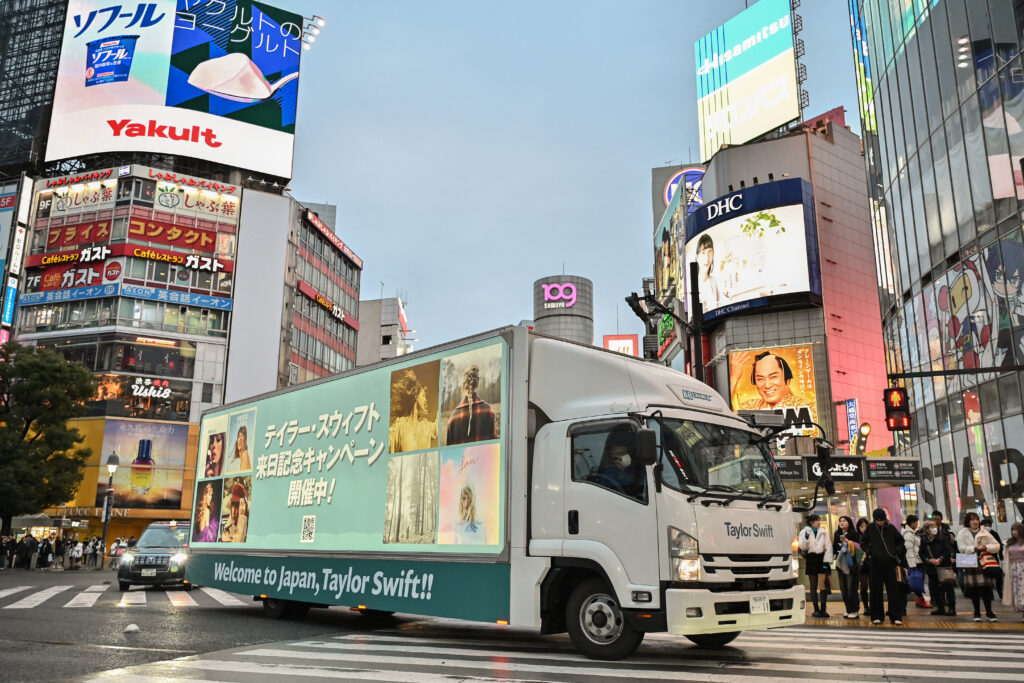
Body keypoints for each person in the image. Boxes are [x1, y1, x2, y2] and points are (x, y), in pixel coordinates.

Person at [861, 508, 907, 625]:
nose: (880, 522)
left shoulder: (890, 528)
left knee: (893, 590)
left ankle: (895, 616)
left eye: (882, 520)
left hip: (890, 564)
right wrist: (870, 552)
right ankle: (877, 616)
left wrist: (895, 552)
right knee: (876, 590)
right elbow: (863, 542)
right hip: (875, 564)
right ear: (875, 519)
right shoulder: (870, 528)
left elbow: (900, 542)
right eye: (878, 520)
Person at [957, 511, 1001, 622]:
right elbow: (961, 548)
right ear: (968, 521)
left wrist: (985, 547)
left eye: (976, 519)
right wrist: (974, 549)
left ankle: (989, 612)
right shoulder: (962, 532)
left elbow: (997, 546)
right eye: (972, 520)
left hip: (984, 562)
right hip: (970, 562)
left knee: (987, 588)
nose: (975, 522)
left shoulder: (984, 532)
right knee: (974, 589)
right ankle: (977, 613)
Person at [445, 364, 497, 445]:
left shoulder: (453, 418)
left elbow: (447, 451)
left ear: (463, 386)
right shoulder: (488, 411)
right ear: (477, 384)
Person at [389, 369, 438, 452]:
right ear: (415, 395)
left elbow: (439, 424)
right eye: (423, 395)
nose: (426, 400)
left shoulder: (426, 427)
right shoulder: (399, 427)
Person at [739, 352, 808, 412]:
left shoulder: (807, 407)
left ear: (787, 380)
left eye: (773, 377)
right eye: (760, 379)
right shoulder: (748, 407)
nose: (767, 385)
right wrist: (733, 378)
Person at [921, 519, 957, 616]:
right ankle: (940, 608)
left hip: (944, 566)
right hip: (932, 568)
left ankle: (952, 608)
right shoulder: (924, 539)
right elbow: (921, 553)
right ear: (926, 530)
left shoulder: (943, 537)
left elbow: (947, 550)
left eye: (935, 526)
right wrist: (928, 560)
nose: (934, 529)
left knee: (948, 587)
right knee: (934, 589)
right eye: (931, 527)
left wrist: (940, 559)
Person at [799, 514, 832, 618]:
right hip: (811, 558)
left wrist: (827, 561)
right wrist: (806, 538)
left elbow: (828, 546)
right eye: (817, 520)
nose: (819, 522)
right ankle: (816, 609)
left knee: (823, 585)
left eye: (819, 520)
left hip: (822, 559)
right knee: (813, 585)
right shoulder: (804, 532)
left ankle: (823, 609)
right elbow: (803, 546)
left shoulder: (823, 532)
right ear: (811, 522)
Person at [833, 515, 863, 619]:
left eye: (844, 521)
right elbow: (834, 548)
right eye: (840, 521)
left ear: (849, 523)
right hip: (840, 565)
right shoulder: (837, 534)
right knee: (843, 589)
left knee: (851, 589)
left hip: (851, 565)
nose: (841, 523)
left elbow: (859, 548)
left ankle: (855, 610)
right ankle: (848, 609)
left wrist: (847, 542)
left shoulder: (854, 534)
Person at [902, 515, 930, 609]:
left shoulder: (913, 532)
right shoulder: (908, 534)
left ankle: (920, 600)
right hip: (915, 561)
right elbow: (908, 549)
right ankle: (920, 601)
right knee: (917, 581)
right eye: (916, 522)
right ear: (912, 523)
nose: (917, 524)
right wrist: (912, 564)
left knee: (919, 581)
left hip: (917, 560)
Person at [695, 233, 722, 311]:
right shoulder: (692, 285)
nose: (707, 257)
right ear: (697, 257)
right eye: (703, 253)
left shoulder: (715, 282)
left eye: (709, 252)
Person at [1003, 522, 1024, 621]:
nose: (1014, 532)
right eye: (1012, 530)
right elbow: (1006, 557)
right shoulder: (1009, 543)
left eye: (1016, 529)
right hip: (1014, 569)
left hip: (1022, 568)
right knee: (1017, 591)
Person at [982, 517, 1005, 600]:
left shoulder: (994, 533)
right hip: (983, 558)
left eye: (988, 525)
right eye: (985, 525)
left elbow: (999, 545)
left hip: (994, 558)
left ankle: (1000, 591)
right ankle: (990, 593)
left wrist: (1000, 555)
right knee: (987, 575)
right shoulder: (981, 534)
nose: (987, 527)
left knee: (998, 575)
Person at [856, 517, 872, 614]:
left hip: (871, 564)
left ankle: (873, 605)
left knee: (873, 586)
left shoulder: (872, 536)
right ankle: (866, 607)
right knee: (863, 586)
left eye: (866, 526)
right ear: (858, 527)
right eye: (861, 527)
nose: (864, 528)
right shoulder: (857, 537)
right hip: (861, 565)